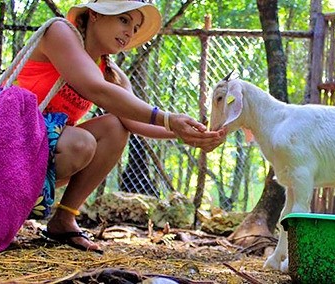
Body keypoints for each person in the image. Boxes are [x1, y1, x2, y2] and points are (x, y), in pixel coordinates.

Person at [15, 0, 226, 253]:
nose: (129, 32)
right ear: (94, 15)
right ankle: (5, 209)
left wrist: (187, 133)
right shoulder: (60, 32)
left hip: (47, 148)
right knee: (80, 143)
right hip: (11, 140)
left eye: (135, 28)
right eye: (124, 20)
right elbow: (94, 87)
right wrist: (169, 118)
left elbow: (132, 120)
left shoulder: (111, 72)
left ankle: (64, 219)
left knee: (114, 128)